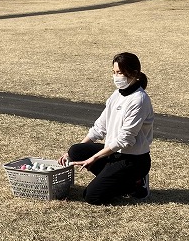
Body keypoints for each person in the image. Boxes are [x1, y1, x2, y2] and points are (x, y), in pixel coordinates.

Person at [59, 52, 153, 205]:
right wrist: (70, 154)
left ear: (134, 73)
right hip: (114, 154)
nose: (116, 77)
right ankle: (116, 178)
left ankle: (136, 182)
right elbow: (99, 127)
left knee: (92, 197)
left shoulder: (139, 100)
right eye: (114, 72)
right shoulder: (116, 95)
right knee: (76, 150)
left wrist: (94, 158)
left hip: (133, 160)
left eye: (120, 73)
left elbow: (125, 140)